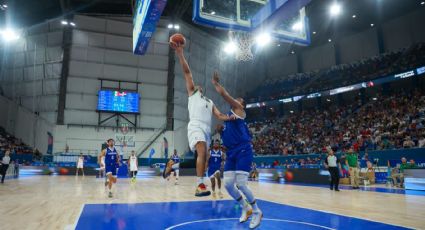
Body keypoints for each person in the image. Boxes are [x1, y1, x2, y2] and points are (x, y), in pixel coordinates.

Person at [173, 42, 235, 197]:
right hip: (195, 126)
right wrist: (180, 53)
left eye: (200, 86)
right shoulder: (192, 94)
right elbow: (188, 73)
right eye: (195, 86)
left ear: (203, 89)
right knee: (201, 148)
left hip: (207, 130)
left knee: (204, 155)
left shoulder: (210, 102)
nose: (197, 86)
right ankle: (199, 184)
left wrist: (231, 117)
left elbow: (219, 116)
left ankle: (203, 180)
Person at [212, 72, 262, 229]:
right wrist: (208, 103)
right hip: (231, 153)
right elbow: (219, 116)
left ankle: (256, 211)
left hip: (243, 150)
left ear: (241, 105)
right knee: (227, 184)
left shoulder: (239, 110)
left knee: (240, 183)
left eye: (239, 100)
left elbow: (225, 95)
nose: (237, 100)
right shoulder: (229, 118)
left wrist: (216, 84)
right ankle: (245, 206)